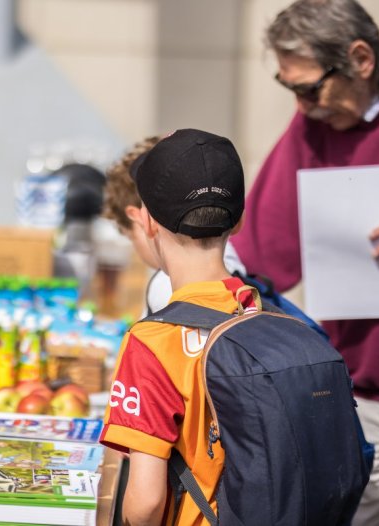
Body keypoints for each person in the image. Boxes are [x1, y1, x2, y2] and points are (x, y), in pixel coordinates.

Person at [231, 1, 379, 523]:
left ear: (361, 59)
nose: (302, 105)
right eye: (288, 87)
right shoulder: (313, 123)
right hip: (354, 396)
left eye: (310, 88)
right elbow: (256, 254)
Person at [100, 128, 255, 525]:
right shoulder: (261, 311)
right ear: (237, 222)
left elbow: (147, 500)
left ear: (147, 220)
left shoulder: (151, 341)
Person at [102, 135, 247, 316]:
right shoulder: (248, 295)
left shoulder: (164, 288)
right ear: (240, 220)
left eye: (130, 236)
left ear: (145, 220)